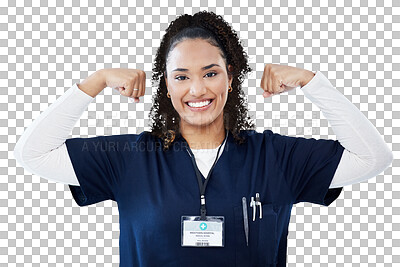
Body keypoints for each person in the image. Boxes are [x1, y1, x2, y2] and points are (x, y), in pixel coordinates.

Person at [13, 10, 393, 267]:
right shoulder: (129, 157)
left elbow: (372, 158)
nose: (197, 89)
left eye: (210, 73)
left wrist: (313, 83)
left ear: (230, 75)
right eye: (181, 76)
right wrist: (94, 82)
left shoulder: (277, 156)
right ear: (166, 86)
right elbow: (32, 152)